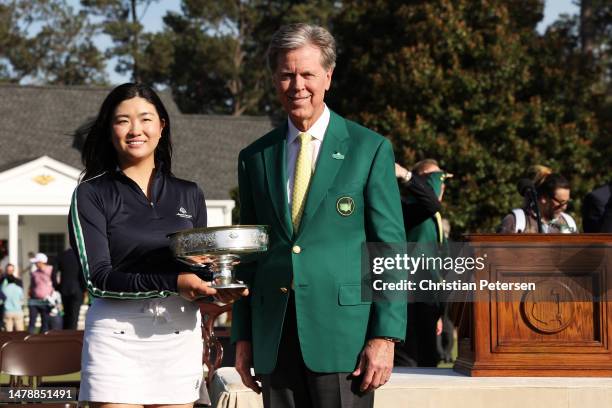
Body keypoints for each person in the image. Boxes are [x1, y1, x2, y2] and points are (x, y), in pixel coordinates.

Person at [231, 23, 406, 408]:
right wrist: (243, 337)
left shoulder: (369, 148)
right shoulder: (255, 158)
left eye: (307, 74)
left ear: (328, 76)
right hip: (274, 337)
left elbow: (389, 249)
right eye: (286, 74)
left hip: (346, 341)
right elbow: (248, 255)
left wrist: (385, 337)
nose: (297, 85)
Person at [68, 83, 246, 407]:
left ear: (162, 126)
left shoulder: (190, 193)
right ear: (110, 130)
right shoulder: (91, 194)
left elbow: (201, 269)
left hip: (179, 336)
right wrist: (174, 283)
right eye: (123, 120)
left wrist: (220, 287)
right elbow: (98, 278)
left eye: (145, 119)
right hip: (115, 337)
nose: (135, 129)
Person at [394, 160, 451, 367]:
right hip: (405, 301)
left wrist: (439, 313)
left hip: (428, 301)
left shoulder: (433, 216)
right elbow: (431, 203)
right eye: (436, 179)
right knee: (407, 364)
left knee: (429, 363)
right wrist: (408, 176)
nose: (442, 185)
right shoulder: (408, 208)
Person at [498, 173, 577, 233]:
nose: (564, 207)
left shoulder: (568, 224)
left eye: (567, 202)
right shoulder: (516, 222)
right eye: (561, 203)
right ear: (544, 198)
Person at [57, 247, 87, 329]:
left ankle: (64, 336)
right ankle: (71, 337)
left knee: (66, 314)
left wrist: (57, 287)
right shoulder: (81, 256)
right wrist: (85, 289)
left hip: (64, 289)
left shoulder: (62, 255)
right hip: (78, 289)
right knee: (74, 315)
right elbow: (83, 274)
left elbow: (54, 272)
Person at [27, 252, 54, 333]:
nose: (35, 264)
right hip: (34, 300)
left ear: (41, 262)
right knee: (32, 323)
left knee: (45, 323)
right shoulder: (34, 273)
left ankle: (43, 342)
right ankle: (29, 342)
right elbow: (32, 286)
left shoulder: (51, 270)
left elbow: (55, 282)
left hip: (46, 301)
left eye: (36, 262)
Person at [2, 264, 24, 331]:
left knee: (9, 331)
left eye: (11, 270)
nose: (9, 271)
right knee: (19, 330)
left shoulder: (18, 281)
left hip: (8, 310)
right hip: (16, 310)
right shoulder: (2, 280)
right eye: (8, 270)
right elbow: (21, 297)